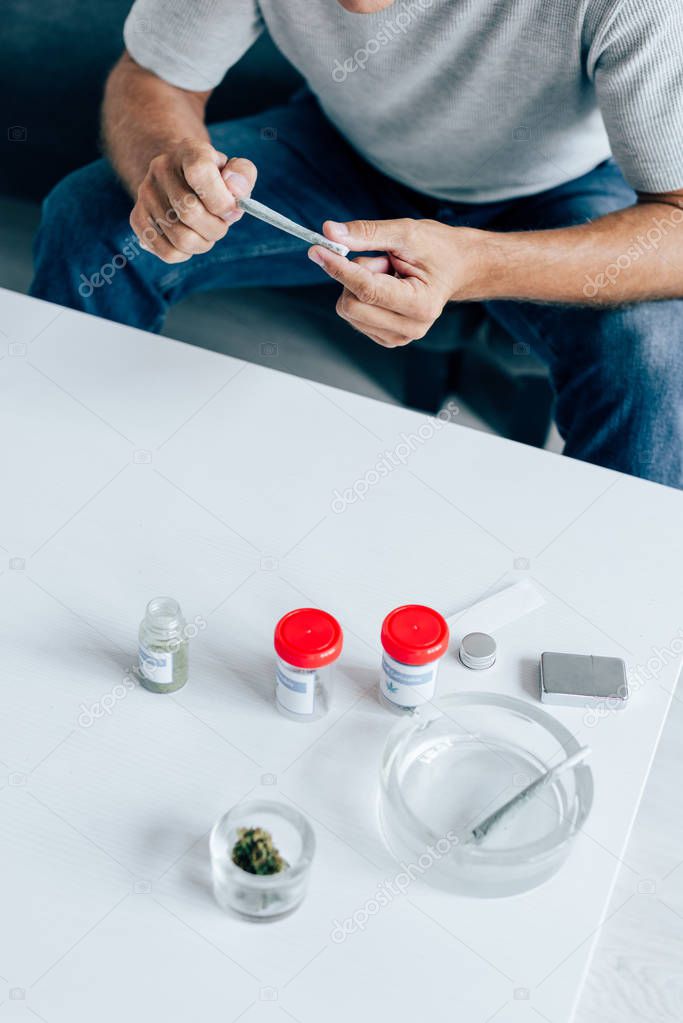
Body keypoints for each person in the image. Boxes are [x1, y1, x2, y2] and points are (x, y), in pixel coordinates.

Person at [30, 0, 683, 488]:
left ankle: (610, 632)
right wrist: (172, 161)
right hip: (343, 147)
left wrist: (475, 262)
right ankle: (62, 482)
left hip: (560, 187)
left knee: (651, 359)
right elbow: (154, 77)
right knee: (93, 221)